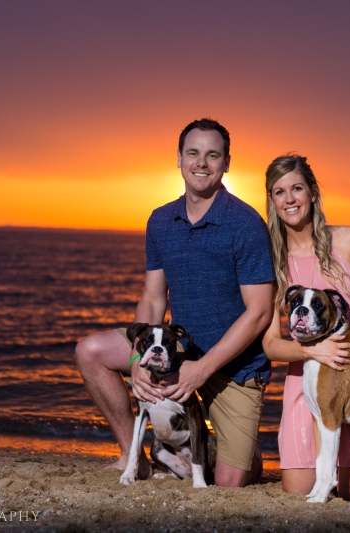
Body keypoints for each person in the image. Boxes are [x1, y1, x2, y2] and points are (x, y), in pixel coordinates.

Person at [74, 118, 275, 487]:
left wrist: (201, 370)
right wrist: (137, 359)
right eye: (193, 153)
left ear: (227, 163)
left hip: (235, 365)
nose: (202, 163)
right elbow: (153, 297)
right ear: (179, 159)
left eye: (212, 155)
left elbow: (260, 311)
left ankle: (246, 451)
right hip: (175, 352)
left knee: (231, 482)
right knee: (91, 351)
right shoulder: (161, 220)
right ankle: (131, 457)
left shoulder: (246, 224)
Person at [261, 154, 350, 503]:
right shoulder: (271, 258)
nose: (289, 199)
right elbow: (270, 344)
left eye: (297, 188)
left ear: (312, 193)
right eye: (279, 192)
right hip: (307, 376)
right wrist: (312, 349)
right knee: (297, 489)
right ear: (272, 201)